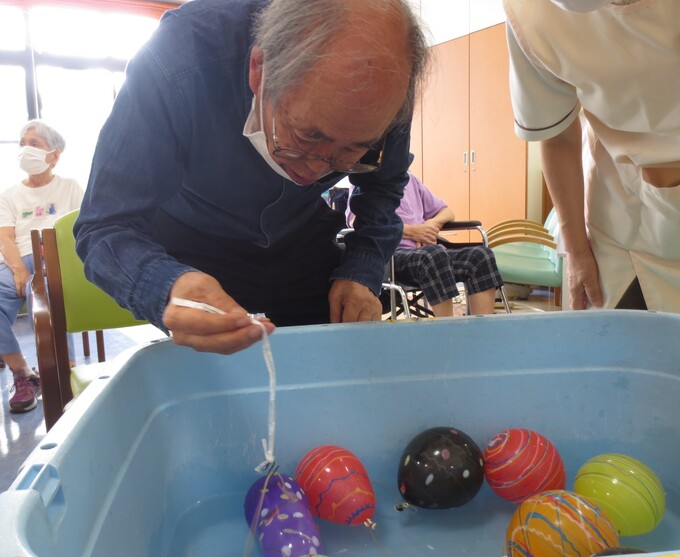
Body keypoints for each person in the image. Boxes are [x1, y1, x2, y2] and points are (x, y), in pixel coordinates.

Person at [74, 0, 429, 356]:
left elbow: (385, 183)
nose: (320, 169)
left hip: (303, 246)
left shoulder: (390, 75)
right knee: (216, 393)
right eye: (309, 136)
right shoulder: (177, 60)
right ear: (259, 69)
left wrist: (361, 268)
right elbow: (105, 225)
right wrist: (165, 286)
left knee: (325, 372)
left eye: (353, 150)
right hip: (193, 253)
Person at [503, 0, 680, 312]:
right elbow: (557, 137)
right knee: (624, 346)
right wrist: (576, 251)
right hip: (621, 219)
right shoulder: (528, 13)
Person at [0, 120, 83, 413]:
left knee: (52, 294)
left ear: (54, 155)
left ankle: (66, 374)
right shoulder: (9, 194)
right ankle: (24, 375)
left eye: (33, 144)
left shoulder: (70, 188)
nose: (24, 149)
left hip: (56, 258)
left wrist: (52, 261)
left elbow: (80, 230)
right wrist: (20, 271)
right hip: (15, 263)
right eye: (22, 143)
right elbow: (5, 238)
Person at [346, 171, 504, 316]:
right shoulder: (365, 180)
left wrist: (432, 224)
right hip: (392, 258)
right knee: (434, 256)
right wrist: (412, 231)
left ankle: (482, 331)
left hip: (430, 254)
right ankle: (449, 333)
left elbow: (448, 212)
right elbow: (356, 221)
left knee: (480, 256)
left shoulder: (410, 180)